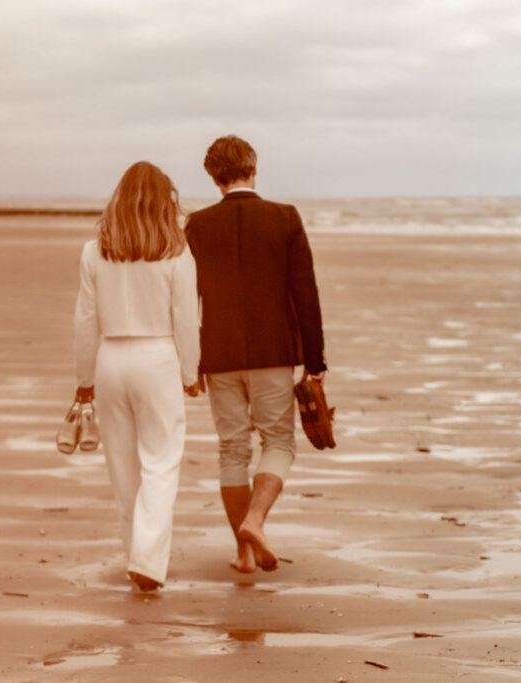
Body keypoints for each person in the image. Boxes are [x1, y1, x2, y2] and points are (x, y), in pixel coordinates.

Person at [186, 135, 327, 573]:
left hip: (219, 353)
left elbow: (187, 298)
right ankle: (255, 521)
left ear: (213, 176)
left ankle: (243, 554)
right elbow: (304, 291)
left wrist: (190, 360)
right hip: (273, 350)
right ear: (254, 168)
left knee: (231, 450)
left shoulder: (197, 225)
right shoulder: (284, 217)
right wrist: (316, 361)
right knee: (279, 441)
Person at [72, 161, 201, 592]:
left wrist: (83, 378)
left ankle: (136, 551)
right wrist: (190, 371)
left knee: (122, 466)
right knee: (161, 462)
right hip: (157, 355)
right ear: (165, 200)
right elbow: (186, 319)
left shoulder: (96, 250)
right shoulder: (176, 251)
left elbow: (84, 320)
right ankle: (146, 559)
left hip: (111, 358)